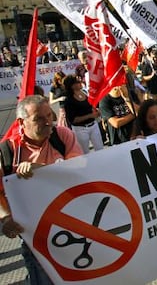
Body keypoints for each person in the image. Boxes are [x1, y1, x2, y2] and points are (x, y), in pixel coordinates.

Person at [0, 95, 83, 285]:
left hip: (74, 224)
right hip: (36, 237)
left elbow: (79, 170)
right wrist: (6, 218)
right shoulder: (7, 151)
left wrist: (42, 171)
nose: (48, 122)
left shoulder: (62, 136)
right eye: (39, 118)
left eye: (49, 115)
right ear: (22, 122)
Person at [63, 75, 104, 154]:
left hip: (93, 125)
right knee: (84, 152)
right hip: (80, 129)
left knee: (100, 148)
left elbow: (89, 106)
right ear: (72, 85)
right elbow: (73, 120)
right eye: (77, 82)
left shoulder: (84, 92)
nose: (80, 83)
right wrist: (90, 116)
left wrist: (95, 111)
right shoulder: (69, 101)